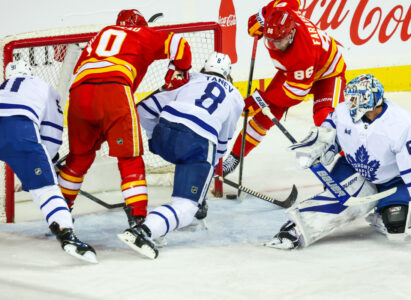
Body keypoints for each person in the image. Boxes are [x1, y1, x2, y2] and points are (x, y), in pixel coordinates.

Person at [264, 74, 411, 251]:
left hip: (392, 181)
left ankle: (381, 210)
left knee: (397, 226)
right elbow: (328, 134)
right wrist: (315, 149)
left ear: (370, 101)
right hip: (353, 170)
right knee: (340, 202)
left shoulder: (400, 124)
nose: (349, 104)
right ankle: (294, 229)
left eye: (355, 100)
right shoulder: (344, 112)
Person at [57, 9, 192, 226]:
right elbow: (181, 44)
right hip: (114, 91)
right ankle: (138, 220)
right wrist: (178, 70)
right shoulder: (142, 33)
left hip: (80, 95)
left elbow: (88, 76)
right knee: (130, 158)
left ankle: (58, 214)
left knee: (79, 158)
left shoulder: (100, 35)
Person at [117, 52, 244, 259]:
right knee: (186, 208)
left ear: (205, 67)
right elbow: (222, 140)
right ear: (229, 74)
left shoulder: (190, 79)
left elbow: (143, 109)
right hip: (198, 144)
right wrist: (208, 171)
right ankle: (143, 231)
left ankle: (154, 226)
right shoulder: (236, 97)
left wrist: (153, 138)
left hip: (165, 136)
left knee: (185, 168)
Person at [222, 0, 346, 176]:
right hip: (294, 72)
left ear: (291, 33)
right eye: (270, 40)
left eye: (279, 42)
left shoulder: (303, 53)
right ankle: (234, 157)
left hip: (328, 73)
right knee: (263, 115)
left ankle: (353, 162)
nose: (275, 46)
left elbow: (296, 94)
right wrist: (260, 16)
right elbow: (290, 2)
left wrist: (263, 98)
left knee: (326, 121)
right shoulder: (278, 15)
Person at [0, 61, 97, 263]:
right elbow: (52, 133)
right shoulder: (42, 86)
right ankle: (66, 233)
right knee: (46, 190)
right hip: (21, 132)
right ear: (30, 71)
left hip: (11, 128)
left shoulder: (4, 88)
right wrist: (48, 163)